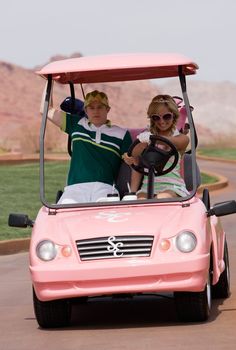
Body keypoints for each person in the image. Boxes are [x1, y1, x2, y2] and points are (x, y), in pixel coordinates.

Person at [40, 87, 132, 203]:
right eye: (91, 108)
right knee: (64, 215)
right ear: (86, 110)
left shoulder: (122, 134)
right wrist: (49, 81)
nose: (96, 111)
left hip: (105, 188)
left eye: (100, 107)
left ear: (108, 109)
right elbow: (46, 110)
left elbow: (132, 160)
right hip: (75, 188)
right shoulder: (76, 124)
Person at [124, 94, 190, 199]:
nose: (162, 121)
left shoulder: (182, 139)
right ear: (152, 119)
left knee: (161, 198)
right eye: (156, 117)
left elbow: (170, 142)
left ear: (174, 115)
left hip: (173, 187)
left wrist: (150, 138)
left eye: (166, 116)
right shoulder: (147, 137)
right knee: (140, 201)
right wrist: (130, 157)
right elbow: (134, 153)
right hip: (147, 187)